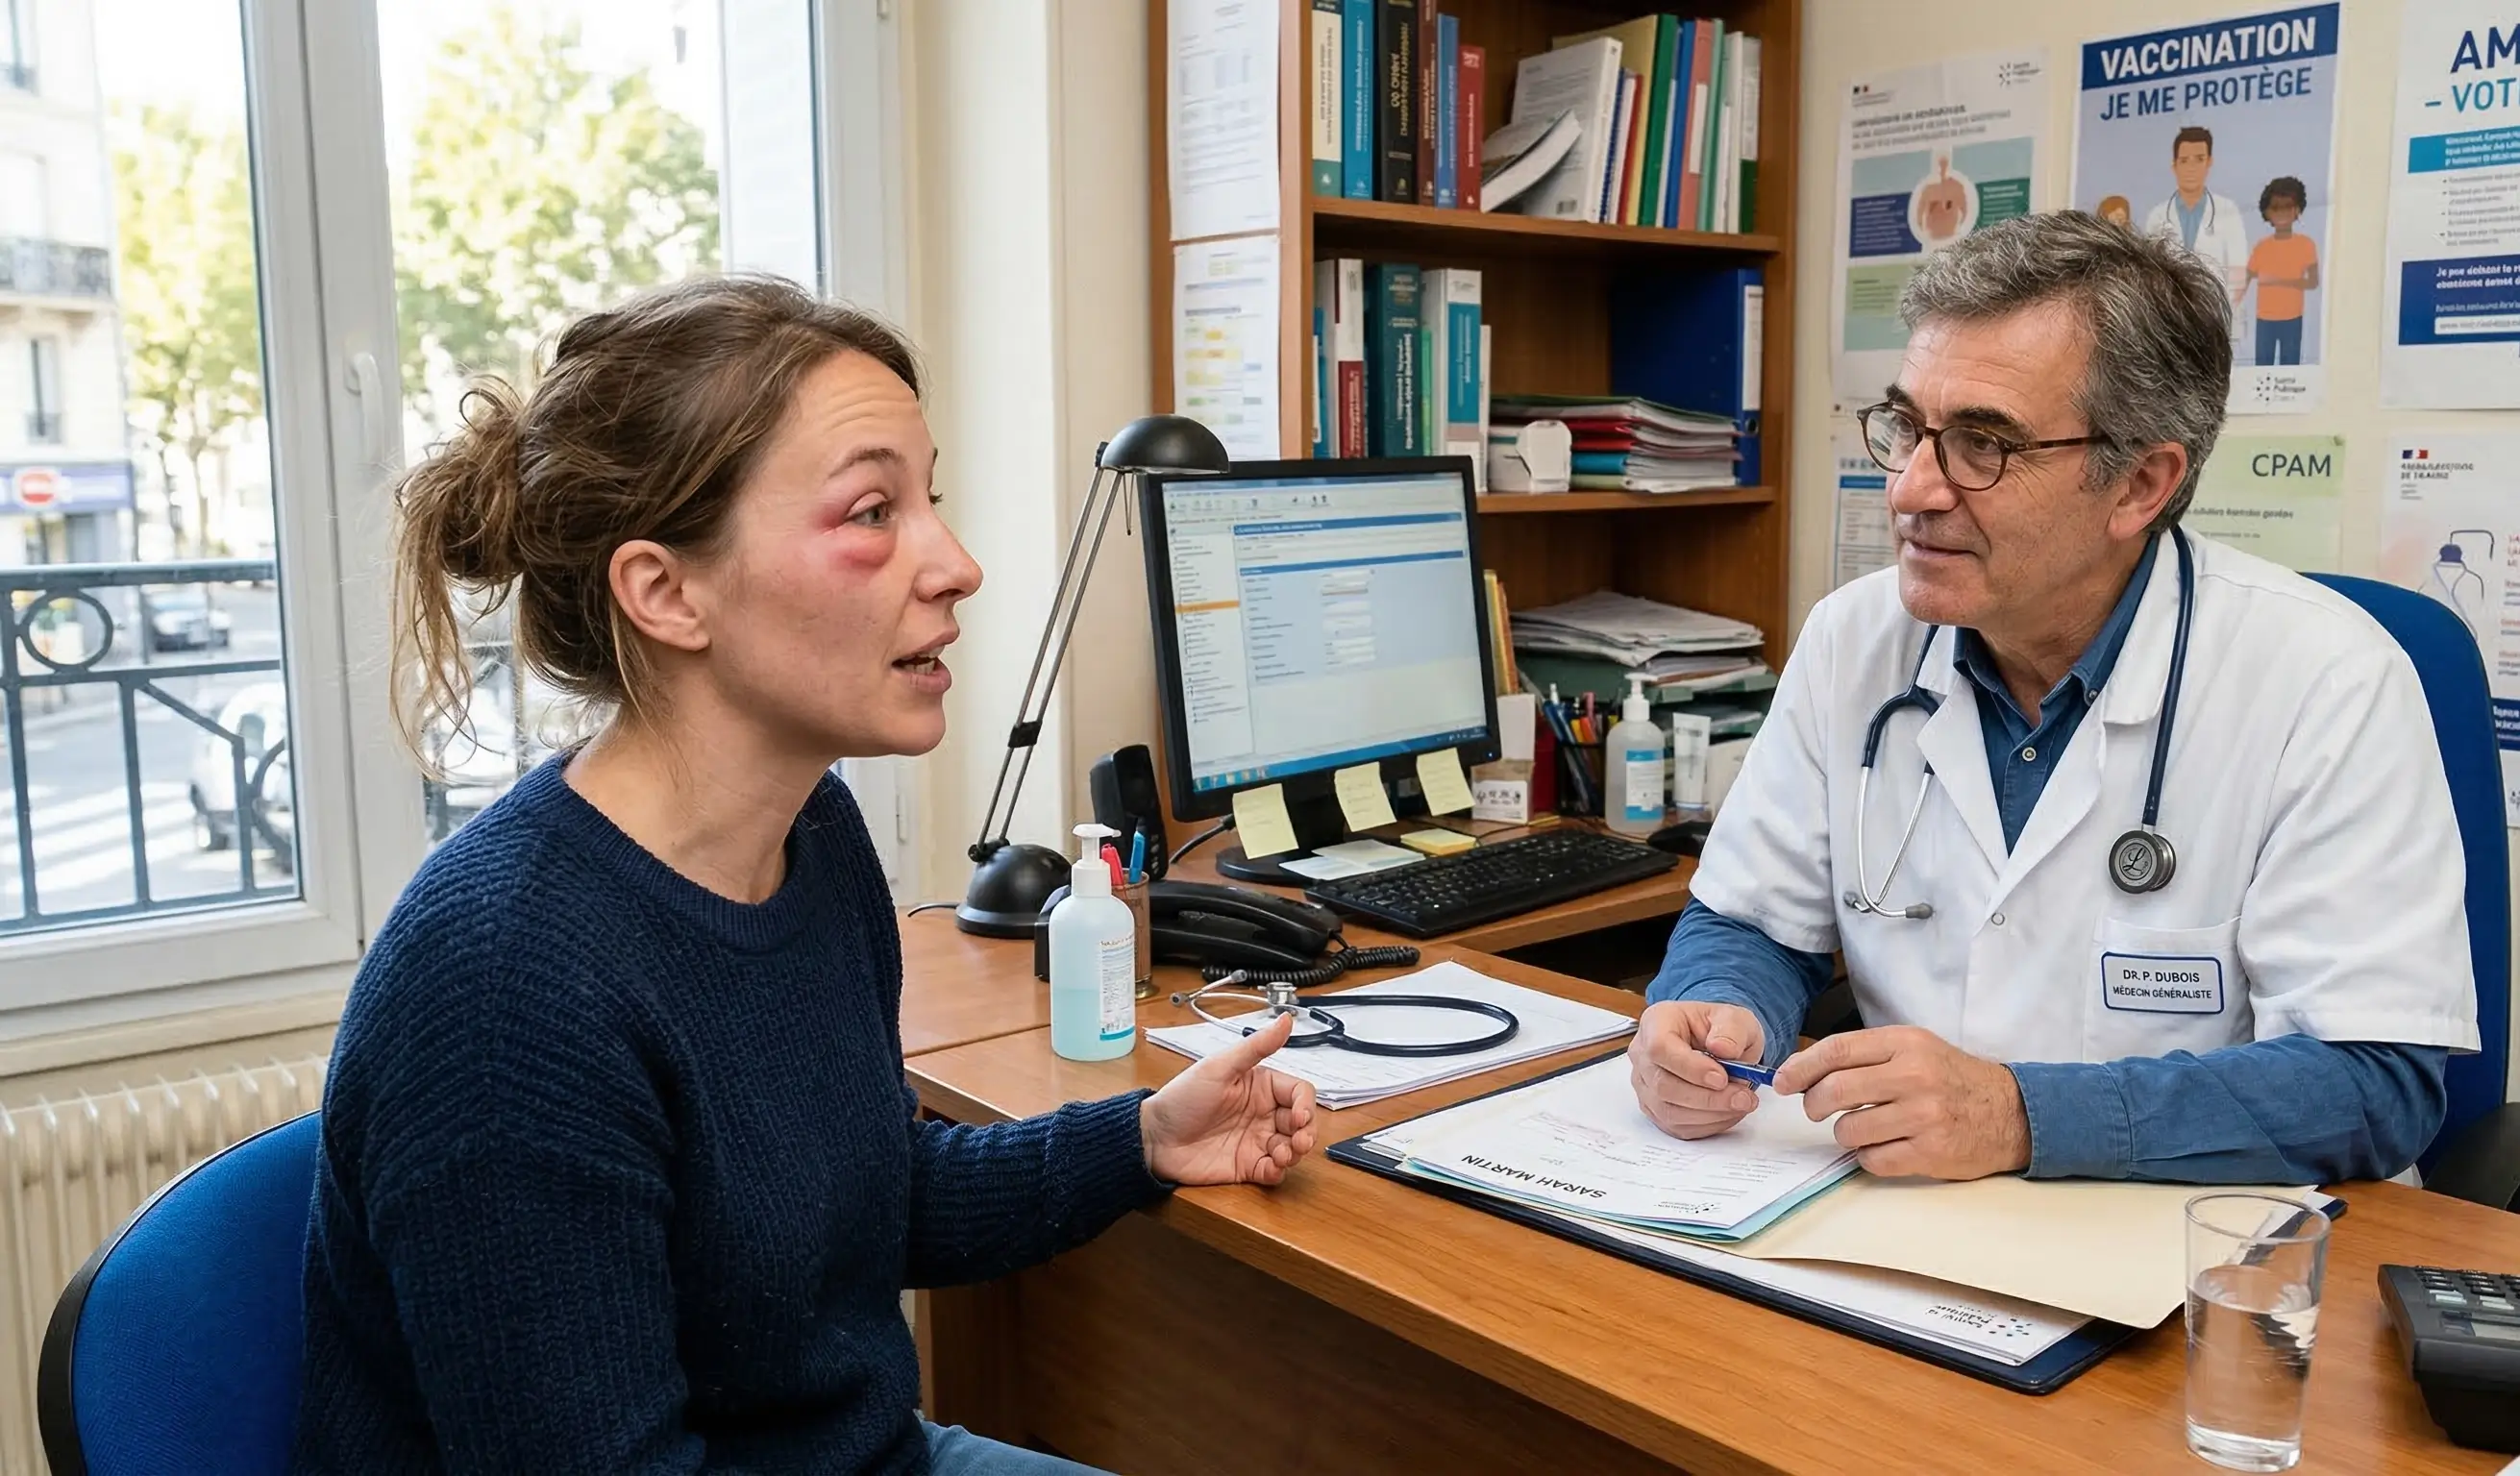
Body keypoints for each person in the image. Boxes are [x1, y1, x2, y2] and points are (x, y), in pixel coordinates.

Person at [294, 276, 1320, 1475]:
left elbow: (863, 1198)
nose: (957, 565)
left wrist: (1139, 1140)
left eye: (928, 499)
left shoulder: (810, 837)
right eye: (872, 511)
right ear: (667, 592)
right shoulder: (504, 986)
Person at [1627, 211, 2477, 1186]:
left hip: (2211, 1257)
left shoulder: (2327, 681)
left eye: (1982, 445)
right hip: (1907, 1224)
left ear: (2142, 483)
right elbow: (1750, 920)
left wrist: (2025, 1116)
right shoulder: (1854, 639)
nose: (1910, 489)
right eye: (1908, 428)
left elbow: (2372, 1084)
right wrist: (1711, 1008)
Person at [2141, 126, 2248, 318]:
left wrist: (2213, 317)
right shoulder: (2157, 216)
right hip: (2169, 321)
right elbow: (2149, 275)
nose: (2191, 167)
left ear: (2209, 162)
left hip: (2216, 320)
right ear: (2174, 165)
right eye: (2184, 160)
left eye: (2199, 159)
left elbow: (2239, 274)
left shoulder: (2228, 211)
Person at [2245, 176, 2318, 367]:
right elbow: (2245, 279)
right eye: (2276, 208)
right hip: (2265, 319)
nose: (2282, 213)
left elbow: (2313, 282)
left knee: (2291, 370)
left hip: (2292, 318)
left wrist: (2285, 282)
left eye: (2288, 207)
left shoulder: (2306, 245)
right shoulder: (2261, 247)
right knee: (2261, 370)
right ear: (2267, 212)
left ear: (2298, 209)